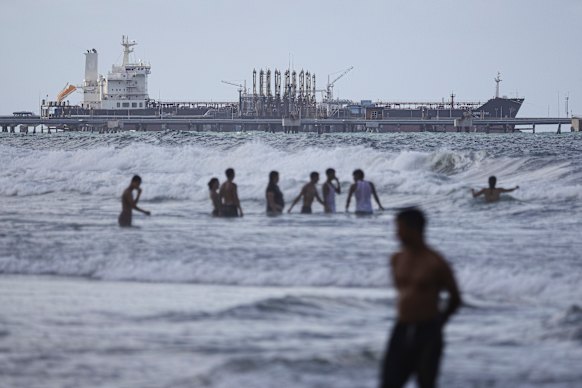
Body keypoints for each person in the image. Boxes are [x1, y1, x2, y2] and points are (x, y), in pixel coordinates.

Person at [380, 208, 462, 388]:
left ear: (414, 229)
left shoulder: (435, 262)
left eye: (399, 229)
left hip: (428, 331)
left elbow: (456, 298)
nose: (396, 234)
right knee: (389, 382)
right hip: (401, 328)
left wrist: (440, 321)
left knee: (426, 383)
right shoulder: (397, 259)